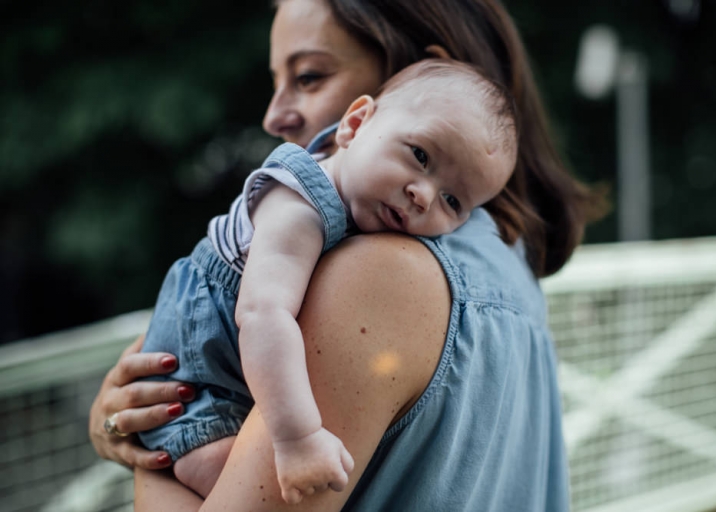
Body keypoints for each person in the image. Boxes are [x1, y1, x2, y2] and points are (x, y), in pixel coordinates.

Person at [89, 0, 606, 509]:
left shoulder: (379, 273)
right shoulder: (512, 268)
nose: (275, 117)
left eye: (310, 76)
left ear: (409, 69)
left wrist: (145, 447)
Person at [135, 58, 518, 503]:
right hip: (200, 374)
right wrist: (297, 437)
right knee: (241, 482)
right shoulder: (299, 204)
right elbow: (262, 314)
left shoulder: (367, 209)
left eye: (452, 200)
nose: (423, 194)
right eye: (420, 156)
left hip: (240, 369)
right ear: (355, 124)